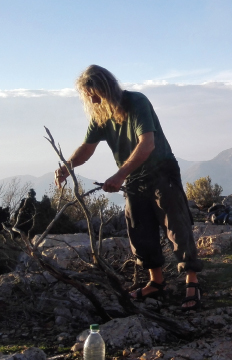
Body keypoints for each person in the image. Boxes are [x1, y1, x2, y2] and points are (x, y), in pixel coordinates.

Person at [54, 65, 203, 311]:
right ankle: (157, 282)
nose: (92, 99)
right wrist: (67, 167)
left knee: (176, 225)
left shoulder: (136, 102)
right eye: (88, 95)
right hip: (134, 177)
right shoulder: (100, 115)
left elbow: (147, 144)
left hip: (160, 170)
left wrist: (120, 174)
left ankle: (192, 281)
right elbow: (87, 148)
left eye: (95, 93)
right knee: (138, 228)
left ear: (107, 87)